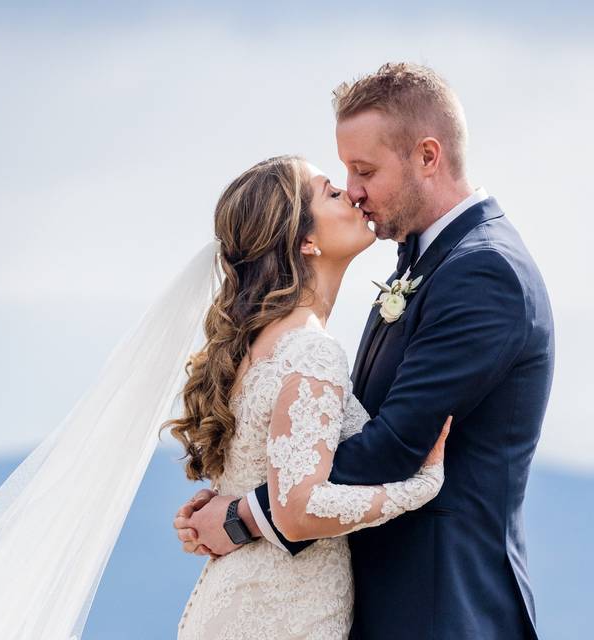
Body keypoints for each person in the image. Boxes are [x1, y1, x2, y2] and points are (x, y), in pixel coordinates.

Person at [173, 62, 554, 640]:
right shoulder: (420, 269)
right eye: (344, 176)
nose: (353, 191)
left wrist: (244, 513)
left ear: (428, 156)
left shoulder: (484, 273)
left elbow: (396, 446)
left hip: (440, 606)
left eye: (364, 171)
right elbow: (321, 443)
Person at [167, 154, 451, 639]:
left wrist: (223, 511)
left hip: (238, 600)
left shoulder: (256, 345)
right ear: (306, 241)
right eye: (332, 193)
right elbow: (298, 513)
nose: (352, 193)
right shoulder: (310, 351)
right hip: (283, 616)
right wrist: (418, 489)